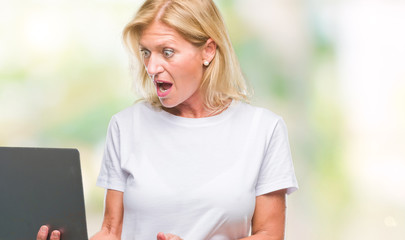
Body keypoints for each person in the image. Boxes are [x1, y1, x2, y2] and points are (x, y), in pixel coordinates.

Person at [37, 0, 298, 239]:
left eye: (167, 52)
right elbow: (110, 231)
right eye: (146, 52)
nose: (151, 68)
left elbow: (269, 234)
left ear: (208, 51)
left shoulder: (263, 129)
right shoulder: (125, 126)